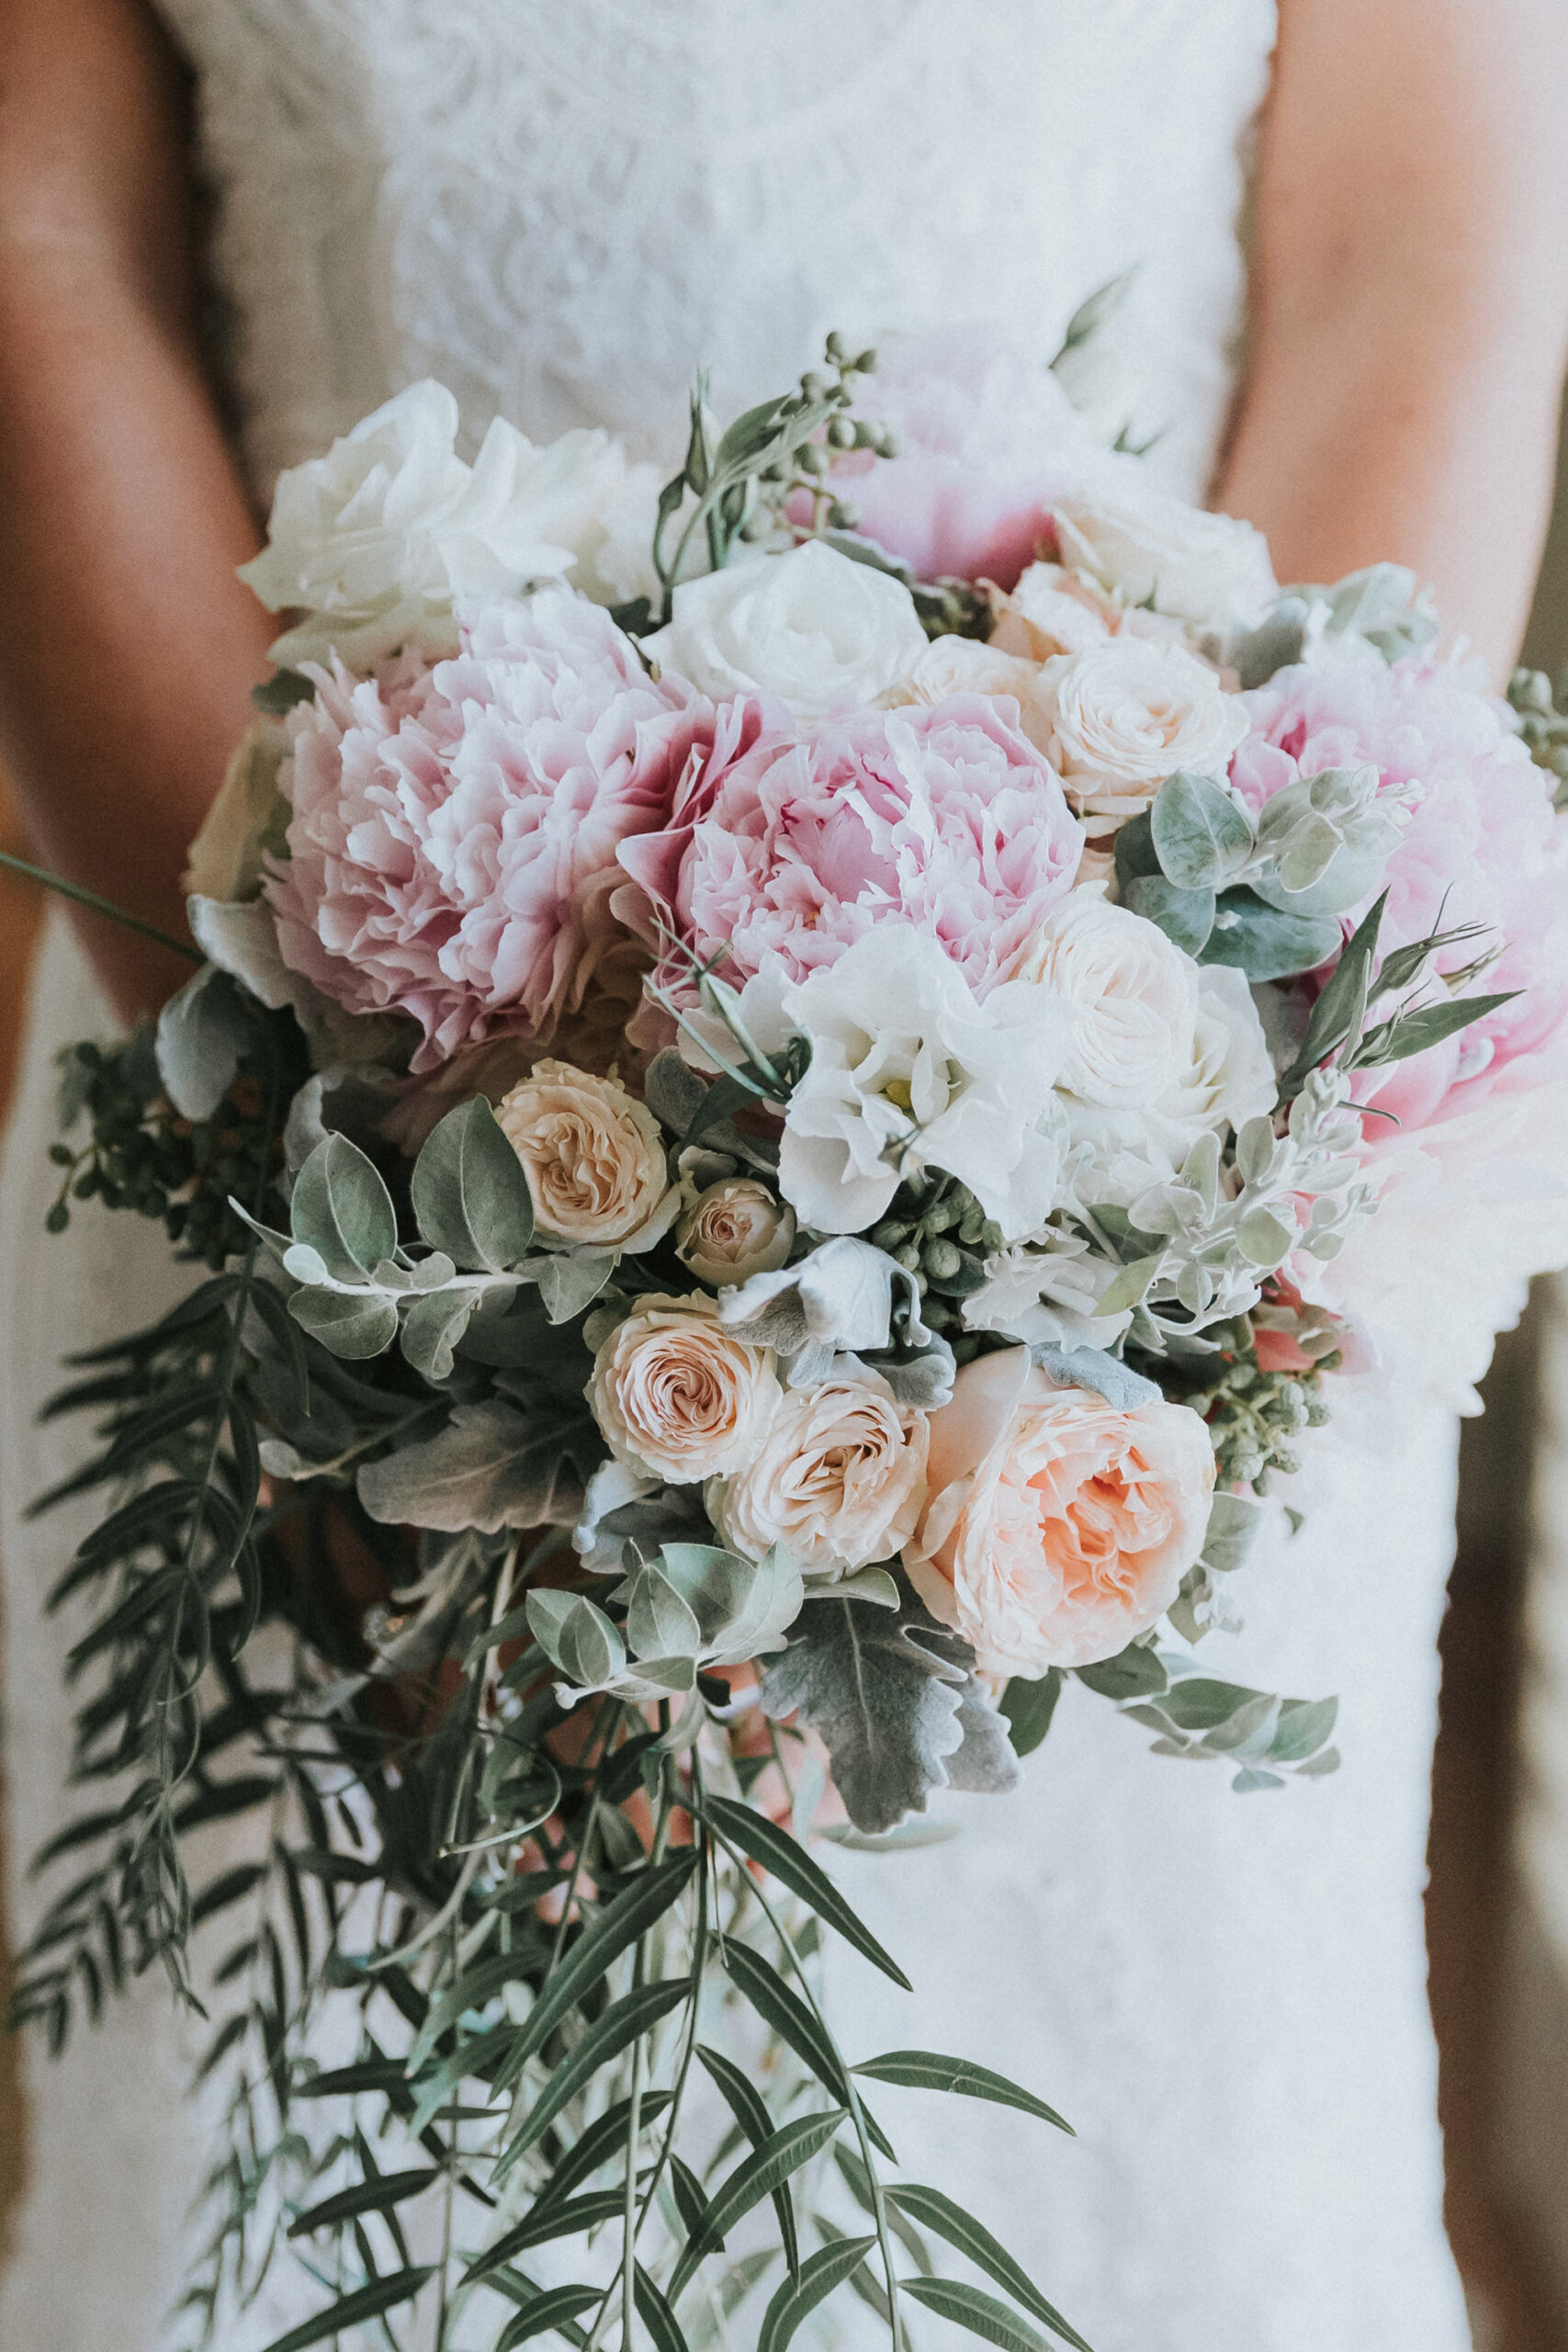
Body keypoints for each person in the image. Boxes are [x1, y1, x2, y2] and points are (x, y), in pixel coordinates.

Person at [1, 4, 1566, 2346]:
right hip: (275, 1052)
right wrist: (425, 1214)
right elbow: (42, 244)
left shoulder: (1153, 1130)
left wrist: (1127, 1151)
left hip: (1145, 1126)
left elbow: (1407, 251)